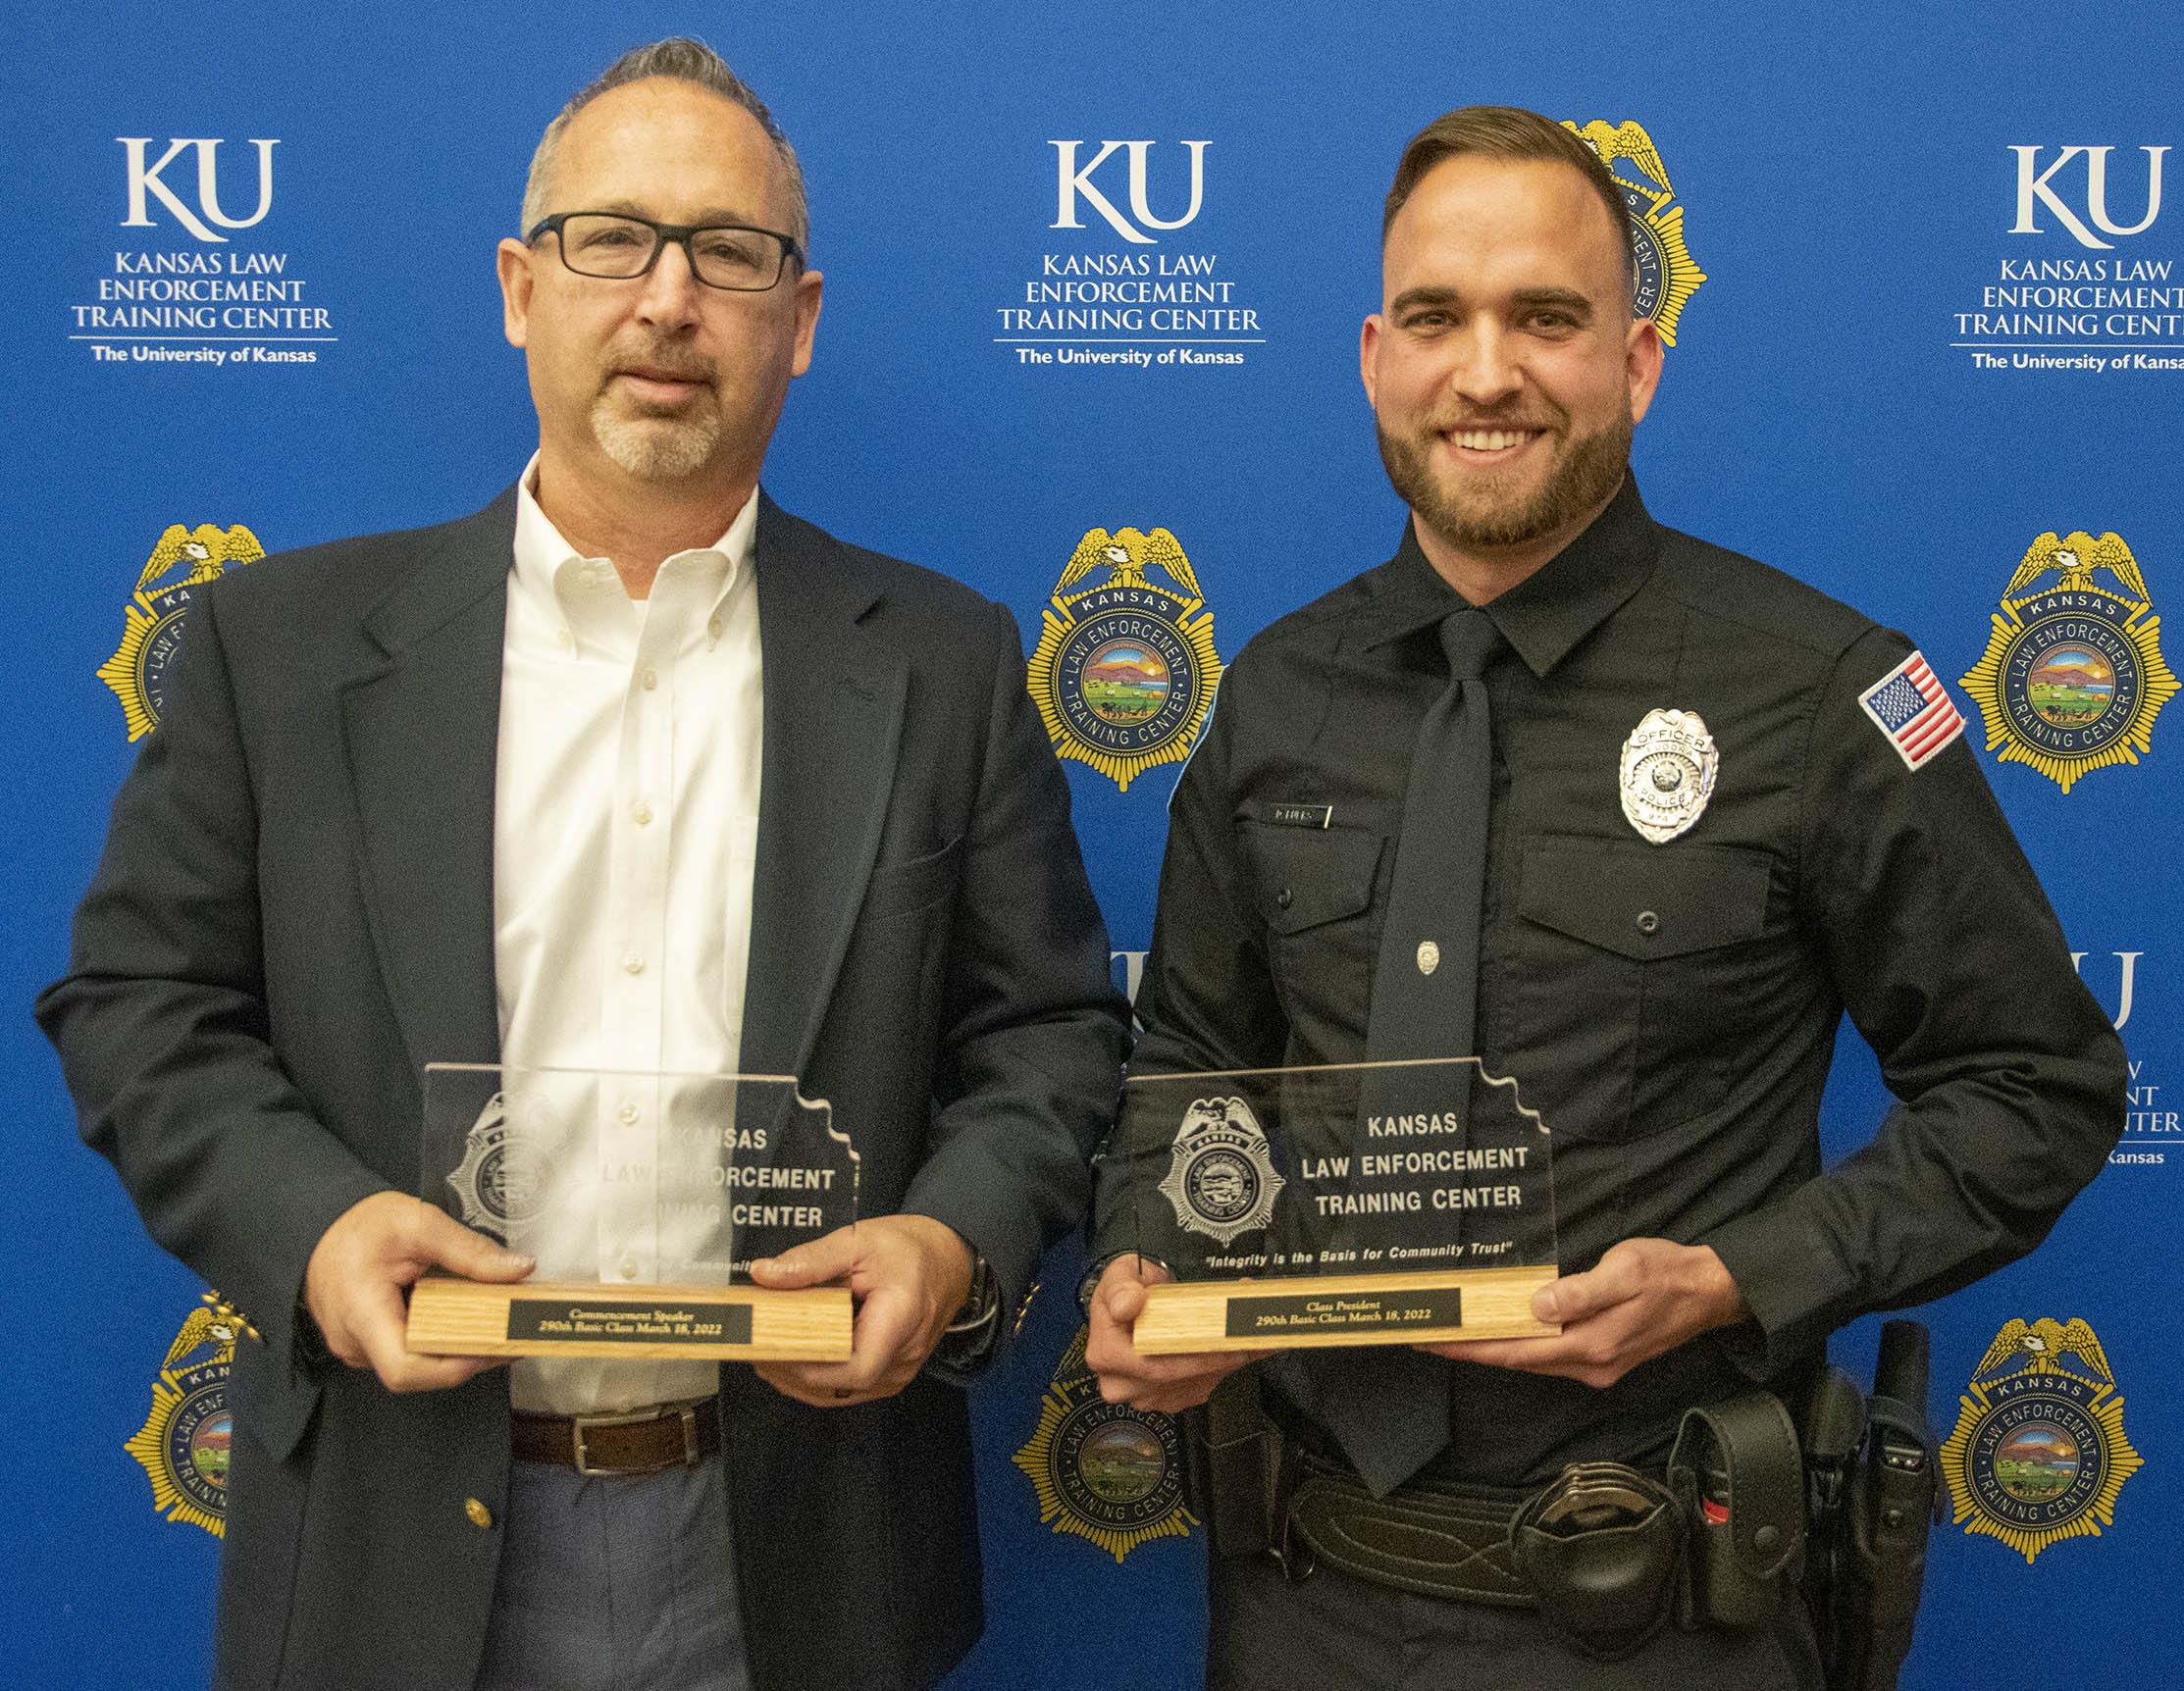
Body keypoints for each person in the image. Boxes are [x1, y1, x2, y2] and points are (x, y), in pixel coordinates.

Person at [39, 38, 1127, 1691]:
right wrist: (316, 1230)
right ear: (520, 288)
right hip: (394, 1535)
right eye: (611, 240)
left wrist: (950, 1242)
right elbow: (138, 1006)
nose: (667, 300)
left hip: (806, 1545)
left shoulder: (944, 663)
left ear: (797, 318)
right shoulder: (279, 648)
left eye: (729, 253)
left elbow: (1047, 1033)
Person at [1084, 105, 2124, 1688]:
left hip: (1657, 1604)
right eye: (1433, 317)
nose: (1483, 371)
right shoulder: (1278, 694)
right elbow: (1190, 1062)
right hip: (1303, 1597)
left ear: (1634, 363)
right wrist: (1145, 1260)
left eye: (1544, 318)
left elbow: (2035, 1087)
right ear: (1373, 358)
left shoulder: (1819, 693)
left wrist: (1735, 1278)